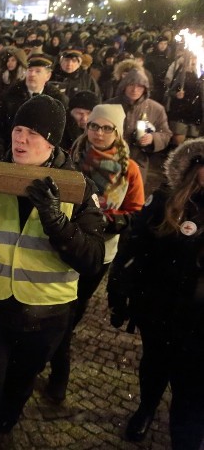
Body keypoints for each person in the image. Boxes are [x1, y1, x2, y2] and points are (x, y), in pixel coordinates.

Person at [0, 94, 105, 448]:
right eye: (18, 129)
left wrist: (57, 222)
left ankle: (5, 424)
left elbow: (93, 258)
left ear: (52, 141)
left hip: (45, 317)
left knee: (18, 386)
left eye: (32, 133)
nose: (20, 139)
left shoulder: (78, 188)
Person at [44, 104, 144, 403]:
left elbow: (136, 211)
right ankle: (55, 366)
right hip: (64, 240)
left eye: (106, 128)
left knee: (73, 308)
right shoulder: (69, 156)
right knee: (60, 307)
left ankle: (55, 362)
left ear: (118, 131)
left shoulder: (129, 168)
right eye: (94, 126)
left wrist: (111, 220)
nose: (98, 133)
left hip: (100, 250)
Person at [107, 138, 204, 448]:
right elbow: (136, 245)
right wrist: (120, 287)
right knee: (155, 364)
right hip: (161, 308)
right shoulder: (166, 199)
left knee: (190, 387)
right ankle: (147, 407)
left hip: (200, 321)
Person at [106, 66, 171, 181]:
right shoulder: (109, 105)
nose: (135, 90)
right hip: (109, 160)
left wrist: (152, 138)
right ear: (124, 86)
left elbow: (165, 134)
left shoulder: (156, 109)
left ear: (145, 89)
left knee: (133, 195)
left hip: (138, 163)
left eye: (140, 86)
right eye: (131, 85)